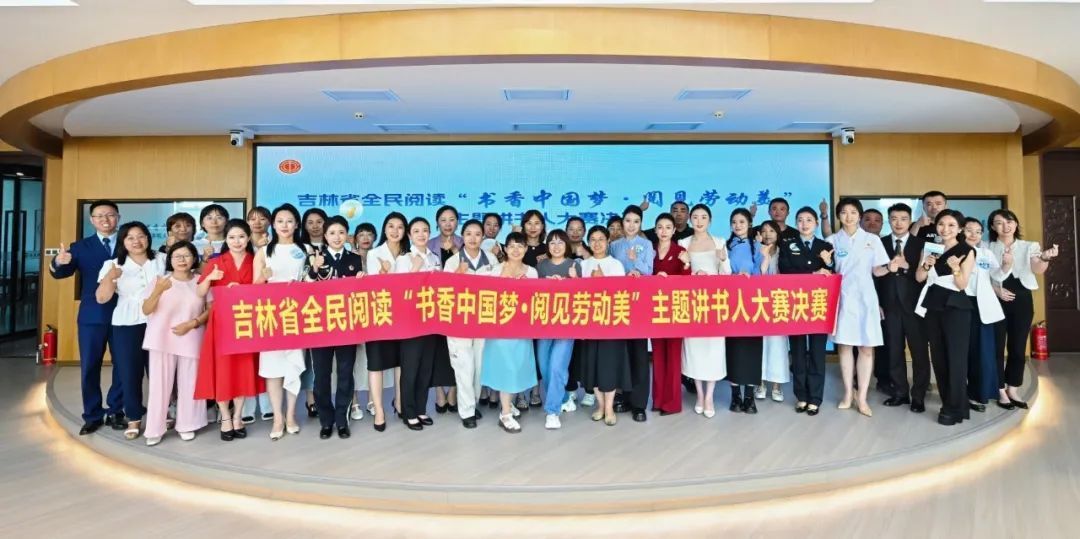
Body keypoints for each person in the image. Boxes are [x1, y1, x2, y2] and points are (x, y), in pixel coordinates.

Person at [49, 200, 123, 435]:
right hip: (93, 315)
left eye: (110, 215)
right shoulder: (80, 246)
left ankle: (117, 410)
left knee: (123, 365)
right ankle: (92, 414)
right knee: (90, 366)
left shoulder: (129, 242)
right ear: (92, 220)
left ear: (118, 217)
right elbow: (62, 273)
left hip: (125, 313)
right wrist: (57, 262)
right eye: (99, 215)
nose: (105, 219)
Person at [95, 221, 166, 440]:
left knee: (158, 371)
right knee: (129, 371)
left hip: (158, 319)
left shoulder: (162, 259)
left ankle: (161, 414)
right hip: (126, 322)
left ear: (148, 238)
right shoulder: (112, 264)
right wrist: (111, 277)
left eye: (141, 236)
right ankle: (134, 416)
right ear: (123, 241)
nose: (137, 241)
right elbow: (102, 298)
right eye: (130, 237)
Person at [194, 219, 264, 441]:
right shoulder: (216, 261)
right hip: (222, 322)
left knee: (243, 369)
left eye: (241, 237)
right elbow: (200, 292)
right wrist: (210, 278)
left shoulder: (255, 260)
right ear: (226, 239)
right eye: (232, 237)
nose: (237, 241)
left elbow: (262, 290)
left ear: (248, 238)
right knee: (223, 369)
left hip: (245, 321)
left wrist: (243, 289)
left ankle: (238, 416)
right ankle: (225, 416)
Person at [827, 198, 891, 418]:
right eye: (844, 212)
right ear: (838, 216)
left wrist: (891, 267)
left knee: (866, 348)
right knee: (845, 346)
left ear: (859, 216)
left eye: (853, 212)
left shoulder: (872, 240)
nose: (849, 216)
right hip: (842, 297)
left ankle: (862, 397)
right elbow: (828, 270)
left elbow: (877, 271)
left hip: (866, 298)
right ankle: (848, 393)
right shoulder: (832, 240)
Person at [988, 209, 1058, 410]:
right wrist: (996, 290)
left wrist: (1044, 258)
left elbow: (1037, 269)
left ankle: (1013, 388)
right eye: (999, 222)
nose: (1006, 226)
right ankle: (1000, 389)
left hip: (1022, 301)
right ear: (992, 227)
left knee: (1018, 347)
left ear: (1016, 224)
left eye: (1009, 221)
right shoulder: (986, 247)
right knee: (996, 347)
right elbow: (980, 275)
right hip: (994, 300)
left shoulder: (1029, 246)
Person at [140, 241, 208, 446]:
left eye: (187, 256)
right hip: (162, 339)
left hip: (191, 336)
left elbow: (211, 308)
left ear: (194, 259)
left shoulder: (201, 280)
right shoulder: (160, 280)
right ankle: (155, 428)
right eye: (177, 256)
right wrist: (158, 290)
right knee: (159, 386)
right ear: (170, 259)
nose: (182, 260)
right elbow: (146, 309)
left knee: (191, 383)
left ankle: (188, 424)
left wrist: (193, 323)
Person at [915, 210, 976, 426]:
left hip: (956, 307)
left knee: (956, 359)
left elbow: (962, 284)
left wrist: (956, 268)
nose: (945, 229)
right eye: (941, 224)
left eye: (951, 225)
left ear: (960, 228)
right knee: (938, 357)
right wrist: (926, 264)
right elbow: (919, 277)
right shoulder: (931, 248)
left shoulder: (967, 250)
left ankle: (954, 407)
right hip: (933, 306)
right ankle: (949, 402)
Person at [305, 216, 364, 439]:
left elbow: (360, 293)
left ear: (347, 235)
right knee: (321, 376)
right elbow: (304, 287)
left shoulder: (355, 258)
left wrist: (363, 282)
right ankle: (326, 421)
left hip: (347, 325)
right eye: (332, 233)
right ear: (325, 236)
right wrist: (314, 268)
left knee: (345, 374)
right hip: (320, 325)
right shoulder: (315, 256)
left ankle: (342, 420)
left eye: (341, 232)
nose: (337, 237)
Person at [253, 203, 309, 440]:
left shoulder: (306, 249)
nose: (285, 225)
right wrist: (262, 278)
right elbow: (253, 288)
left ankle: (291, 415)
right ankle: (277, 417)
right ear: (273, 225)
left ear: (296, 224)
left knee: (293, 365)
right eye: (280, 221)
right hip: (271, 316)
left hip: (297, 314)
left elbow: (313, 281)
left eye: (289, 221)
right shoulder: (264, 252)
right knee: (273, 369)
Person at [480, 232, 540, 433]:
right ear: (505, 249)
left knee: (518, 367)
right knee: (507, 368)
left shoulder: (532, 272)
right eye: (512, 246)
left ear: (525, 249)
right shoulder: (494, 270)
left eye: (520, 246)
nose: (516, 250)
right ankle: (505, 413)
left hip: (522, 329)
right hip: (500, 329)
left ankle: (509, 404)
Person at [778, 208, 834, 416]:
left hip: (819, 305)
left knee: (818, 352)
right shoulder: (787, 244)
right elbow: (785, 270)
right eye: (800, 220)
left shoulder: (825, 246)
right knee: (798, 352)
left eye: (809, 220)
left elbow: (834, 272)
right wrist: (813, 272)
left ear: (817, 224)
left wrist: (828, 263)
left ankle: (815, 398)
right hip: (796, 305)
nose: (804, 224)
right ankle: (801, 396)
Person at [878, 203, 932, 413]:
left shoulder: (923, 244)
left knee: (919, 353)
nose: (898, 223)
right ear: (888, 221)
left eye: (903, 219)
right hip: (890, 306)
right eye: (894, 219)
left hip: (915, 306)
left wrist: (907, 267)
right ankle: (900, 392)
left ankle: (918, 396)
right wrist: (878, 303)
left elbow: (927, 277)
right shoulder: (880, 243)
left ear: (910, 221)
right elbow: (874, 276)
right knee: (894, 351)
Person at [678, 204, 731, 418]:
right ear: (690, 220)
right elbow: (679, 275)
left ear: (710, 220)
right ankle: (699, 394)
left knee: (713, 349)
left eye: (703, 217)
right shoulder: (683, 243)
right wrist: (690, 272)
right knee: (694, 350)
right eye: (695, 217)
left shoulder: (719, 242)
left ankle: (709, 396)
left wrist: (723, 260)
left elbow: (727, 275)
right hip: (692, 304)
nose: (699, 221)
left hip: (714, 303)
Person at [443, 219, 493, 429]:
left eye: (477, 234)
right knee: (464, 367)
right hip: (459, 323)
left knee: (479, 367)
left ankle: (471, 403)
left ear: (483, 237)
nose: (473, 238)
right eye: (469, 234)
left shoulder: (491, 259)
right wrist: (458, 274)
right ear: (462, 237)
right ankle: (467, 412)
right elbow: (444, 292)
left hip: (483, 321)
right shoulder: (452, 262)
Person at [394, 216, 443, 431]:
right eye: (416, 231)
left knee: (425, 368)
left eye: (425, 230)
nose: (421, 234)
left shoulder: (434, 257)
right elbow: (398, 291)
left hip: (431, 320)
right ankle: (408, 411)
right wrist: (414, 269)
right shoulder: (404, 259)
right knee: (410, 368)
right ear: (409, 235)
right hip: (411, 322)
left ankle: (421, 409)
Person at [578, 226, 630, 426]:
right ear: (588, 242)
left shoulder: (616, 265)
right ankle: (600, 406)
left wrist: (601, 282)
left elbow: (620, 295)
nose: (597, 243)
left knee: (609, 367)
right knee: (593, 366)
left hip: (611, 325)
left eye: (601, 239)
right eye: (593, 239)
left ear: (608, 241)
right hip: (589, 325)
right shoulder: (583, 265)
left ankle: (609, 408)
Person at [609, 204, 654, 422]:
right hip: (619, 304)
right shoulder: (614, 245)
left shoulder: (646, 244)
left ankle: (639, 404)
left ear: (641, 224)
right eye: (628, 221)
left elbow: (649, 271)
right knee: (622, 353)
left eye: (636, 221)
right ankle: (624, 397)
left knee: (639, 354)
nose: (631, 225)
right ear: (622, 223)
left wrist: (635, 261)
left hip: (639, 305)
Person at [366, 212, 409, 430]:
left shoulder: (410, 255)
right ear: (384, 229)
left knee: (401, 362)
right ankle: (379, 409)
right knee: (376, 364)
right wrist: (383, 273)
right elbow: (372, 287)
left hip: (403, 316)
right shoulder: (374, 254)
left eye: (400, 227)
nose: (395, 231)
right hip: (379, 315)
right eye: (391, 226)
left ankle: (399, 402)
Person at [536, 229, 582, 429]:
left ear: (567, 245)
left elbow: (582, 296)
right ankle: (563, 398)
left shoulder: (574, 265)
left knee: (557, 367)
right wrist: (545, 284)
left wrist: (573, 280)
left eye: (560, 242)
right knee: (544, 366)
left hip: (566, 324)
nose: (556, 246)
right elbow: (532, 293)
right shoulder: (541, 266)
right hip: (544, 324)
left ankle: (552, 411)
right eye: (552, 243)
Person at [961, 217, 1005, 412]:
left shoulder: (986, 253)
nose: (974, 235)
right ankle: (959, 394)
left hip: (982, 307)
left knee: (982, 352)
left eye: (978, 232)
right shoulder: (953, 251)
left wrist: (1007, 264)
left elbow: (998, 275)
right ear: (961, 231)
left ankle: (978, 393)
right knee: (962, 352)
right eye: (969, 230)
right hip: (959, 304)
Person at [725, 208, 766, 414]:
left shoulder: (757, 246)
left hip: (753, 304)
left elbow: (762, 273)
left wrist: (752, 275)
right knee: (733, 349)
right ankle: (735, 396)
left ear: (749, 223)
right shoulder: (726, 246)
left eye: (742, 221)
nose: (737, 225)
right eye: (734, 222)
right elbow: (721, 273)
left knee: (752, 349)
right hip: (731, 303)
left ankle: (749, 396)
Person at [650, 213, 691, 415]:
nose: (664, 231)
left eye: (668, 227)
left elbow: (687, 282)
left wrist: (686, 265)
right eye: (660, 227)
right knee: (658, 357)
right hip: (655, 310)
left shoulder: (680, 251)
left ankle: (672, 403)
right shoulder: (649, 250)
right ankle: (658, 400)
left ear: (674, 230)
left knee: (673, 357)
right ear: (655, 230)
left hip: (675, 309)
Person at [239, 207, 273, 423]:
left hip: (270, 305)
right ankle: (247, 407)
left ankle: (268, 404)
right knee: (247, 358)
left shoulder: (277, 243)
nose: (257, 222)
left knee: (268, 356)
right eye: (252, 218)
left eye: (262, 218)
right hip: (244, 304)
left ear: (270, 221)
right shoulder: (240, 243)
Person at [298, 207, 329, 418]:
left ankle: (327, 397)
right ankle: (311, 399)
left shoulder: (335, 243)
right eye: (310, 222)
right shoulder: (299, 248)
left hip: (331, 307)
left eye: (319, 221)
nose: (315, 226)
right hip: (308, 307)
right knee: (310, 356)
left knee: (327, 358)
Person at [755, 220, 790, 404]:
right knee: (761, 344)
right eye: (764, 231)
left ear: (778, 233)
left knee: (777, 345)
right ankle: (760, 383)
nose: (767, 234)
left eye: (771, 231)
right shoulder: (756, 251)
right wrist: (762, 256)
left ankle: (776, 385)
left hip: (779, 303)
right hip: (759, 302)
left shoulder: (784, 252)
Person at [348, 222, 380, 421]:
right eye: (361, 234)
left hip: (375, 314)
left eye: (370, 234)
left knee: (371, 359)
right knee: (352, 360)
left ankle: (371, 400)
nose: (366, 238)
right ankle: (354, 402)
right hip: (353, 313)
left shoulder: (379, 256)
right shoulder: (349, 257)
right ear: (355, 238)